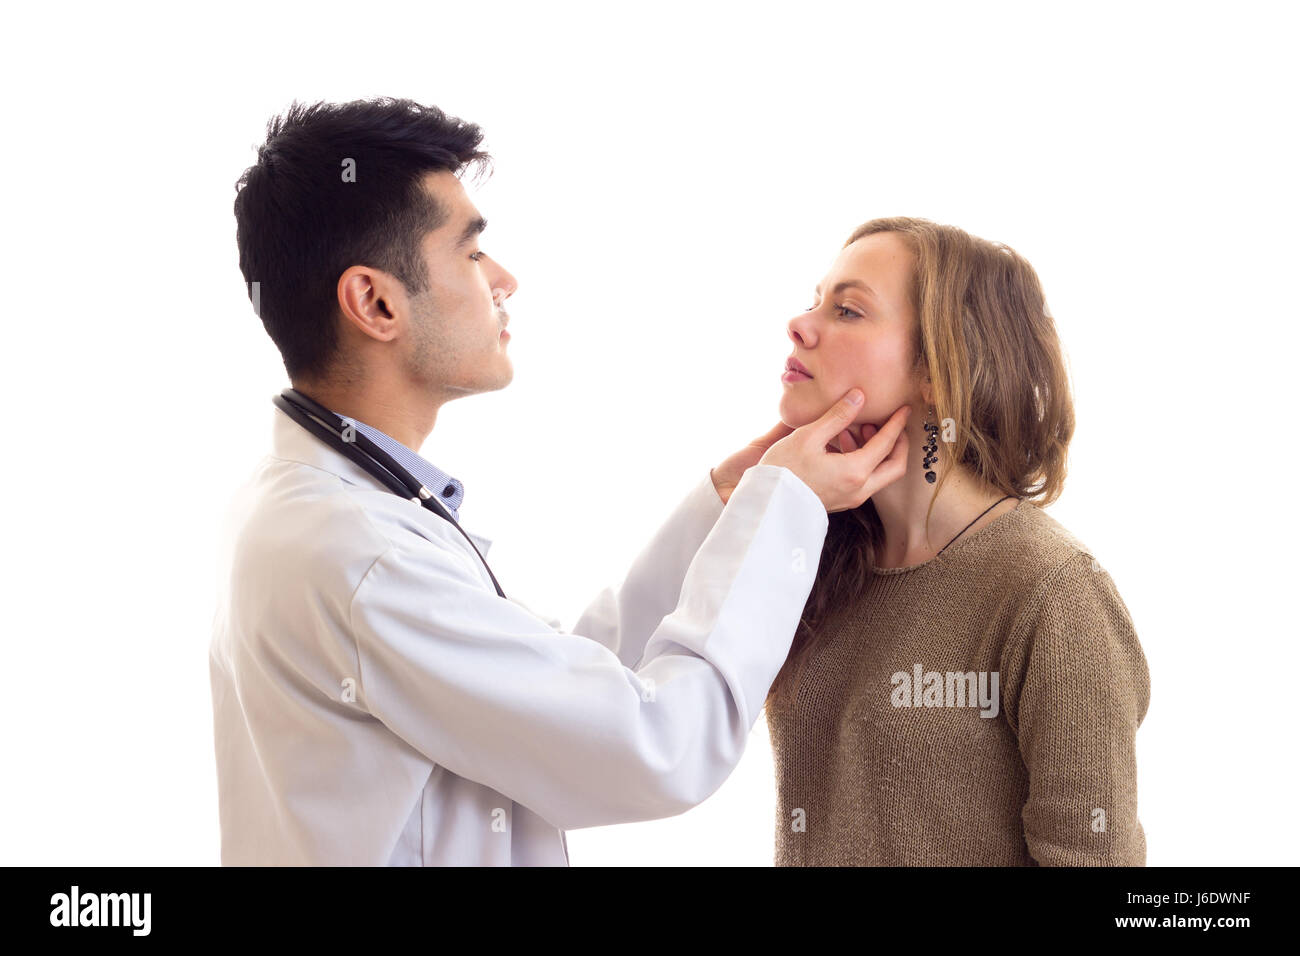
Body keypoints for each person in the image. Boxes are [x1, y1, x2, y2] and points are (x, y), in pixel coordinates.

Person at [209, 97, 912, 865]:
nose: (505, 278)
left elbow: (565, 685)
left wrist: (732, 504)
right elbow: (659, 747)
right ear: (376, 302)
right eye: (473, 254)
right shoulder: (358, 554)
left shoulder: (332, 512)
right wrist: (784, 510)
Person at [764, 217, 1151, 866]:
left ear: (941, 373)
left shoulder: (1051, 594)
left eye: (848, 309)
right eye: (815, 301)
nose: (800, 326)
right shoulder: (814, 556)